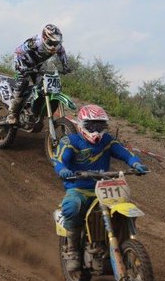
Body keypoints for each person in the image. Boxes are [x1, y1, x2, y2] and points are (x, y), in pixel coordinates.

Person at [52, 104, 148, 271]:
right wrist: (63, 170)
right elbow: (59, 160)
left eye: (100, 126)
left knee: (126, 208)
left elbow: (126, 154)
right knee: (72, 206)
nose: (96, 130)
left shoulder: (107, 141)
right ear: (81, 124)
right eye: (91, 126)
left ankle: (124, 246)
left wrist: (136, 163)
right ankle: (73, 250)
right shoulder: (70, 141)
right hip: (79, 189)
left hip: (104, 187)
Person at [6, 23, 70, 124]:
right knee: (22, 83)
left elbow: (62, 54)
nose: (54, 45)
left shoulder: (58, 47)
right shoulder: (35, 42)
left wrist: (66, 67)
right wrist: (20, 66)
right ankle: (12, 113)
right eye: (51, 42)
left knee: (43, 84)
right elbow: (18, 51)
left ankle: (34, 110)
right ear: (45, 37)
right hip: (23, 62)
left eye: (56, 42)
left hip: (37, 65)